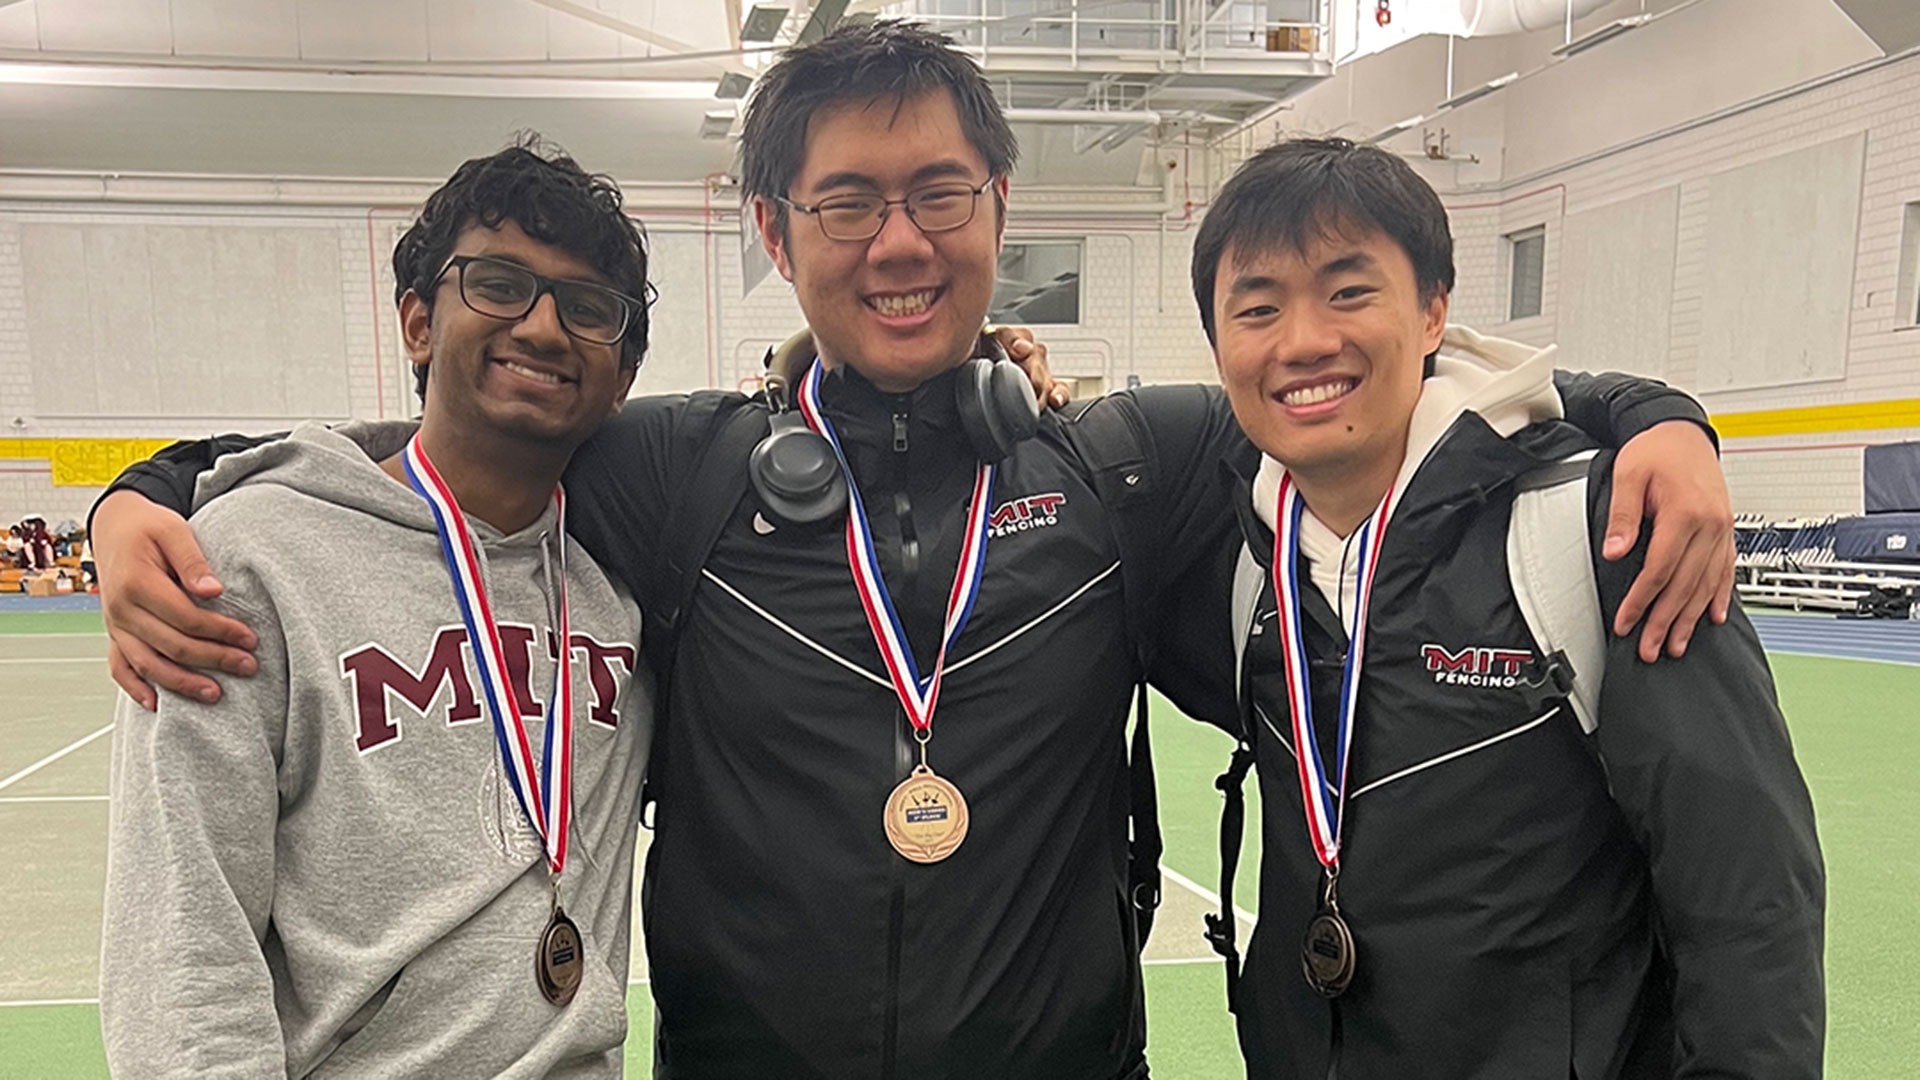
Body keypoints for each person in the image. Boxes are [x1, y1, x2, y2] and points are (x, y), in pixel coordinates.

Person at [91, 23, 1737, 1080]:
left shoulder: (1120, 460)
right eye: (848, 202)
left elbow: (1357, 377)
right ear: (772, 231)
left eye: (940, 194)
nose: (900, 242)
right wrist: (153, 490)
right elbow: (458, 437)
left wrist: (1651, 410)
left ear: (1002, 206)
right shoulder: (676, 473)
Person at [1196, 137, 1824, 1076]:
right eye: (1257, 307)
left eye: (1349, 291)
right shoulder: (1242, 557)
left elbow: (1746, 899)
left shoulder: (1602, 531)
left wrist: (1659, 414)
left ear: (1435, 311)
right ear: (1217, 344)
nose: (1302, 341)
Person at [98, 141, 657, 1077]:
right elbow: (184, 938)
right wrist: (132, 498)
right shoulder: (246, 560)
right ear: (417, 323)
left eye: (588, 308)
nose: (547, 328)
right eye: (500, 284)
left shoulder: (629, 582)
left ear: (623, 377)